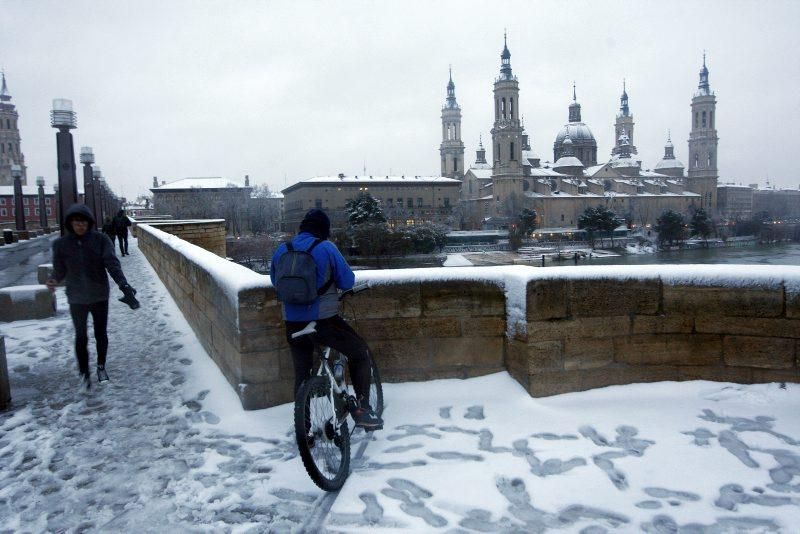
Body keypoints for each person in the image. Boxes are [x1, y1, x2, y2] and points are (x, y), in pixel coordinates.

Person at [270, 208, 382, 430]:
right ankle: (362, 409)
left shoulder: (281, 250)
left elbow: (276, 282)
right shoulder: (326, 248)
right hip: (323, 321)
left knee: (302, 375)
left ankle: (304, 429)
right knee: (359, 353)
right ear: (324, 230)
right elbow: (347, 281)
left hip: (292, 323)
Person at [46, 204, 139, 389]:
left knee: (100, 333)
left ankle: (101, 366)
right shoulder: (61, 244)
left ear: (89, 223)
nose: (80, 226)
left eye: (83, 222)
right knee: (81, 336)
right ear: (70, 223)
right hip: (76, 297)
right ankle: (83, 371)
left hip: (99, 295)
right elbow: (60, 269)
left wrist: (124, 284)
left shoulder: (101, 240)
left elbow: (112, 264)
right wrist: (53, 279)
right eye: (76, 222)